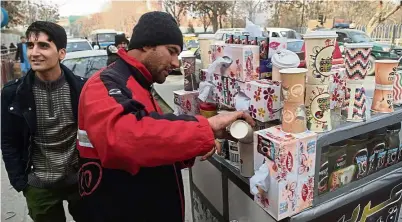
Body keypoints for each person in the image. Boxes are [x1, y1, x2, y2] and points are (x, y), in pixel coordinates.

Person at [77, 11, 255, 222]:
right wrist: (205, 128)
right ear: (146, 44)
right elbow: (127, 139)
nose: (175, 63)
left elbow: (154, 146)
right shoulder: (104, 84)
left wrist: (192, 147)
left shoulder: (140, 84)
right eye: (171, 51)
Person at [1, 21, 87, 222]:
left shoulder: (82, 90)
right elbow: (8, 141)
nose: (34, 53)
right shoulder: (12, 94)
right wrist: (21, 182)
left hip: (79, 180)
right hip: (39, 186)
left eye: (44, 46)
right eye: (30, 46)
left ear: (62, 53)